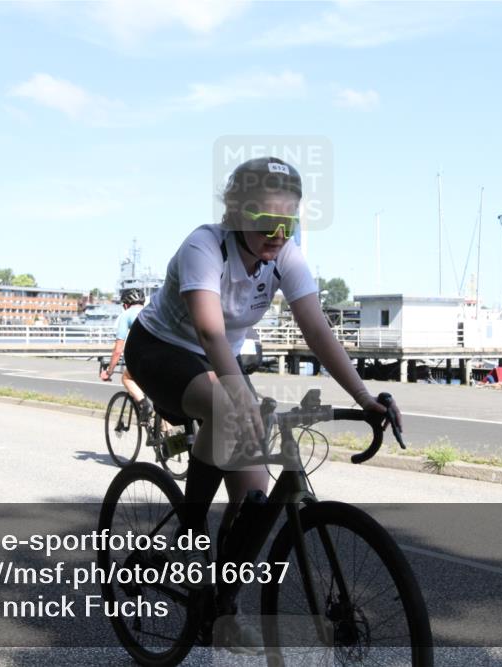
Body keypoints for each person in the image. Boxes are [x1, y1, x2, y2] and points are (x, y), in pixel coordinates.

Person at [123, 156, 401, 649]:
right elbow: (209, 331)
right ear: (235, 213)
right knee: (229, 406)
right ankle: (186, 524)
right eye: (265, 220)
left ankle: (222, 612)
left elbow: (316, 328)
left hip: (215, 360)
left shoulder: (285, 255)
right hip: (161, 350)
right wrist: (239, 398)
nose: (277, 232)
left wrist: (363, 397)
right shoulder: (202, 246)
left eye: (287, 222)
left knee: (253, 500)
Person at [100, 288, 152, 420]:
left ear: (125, 305)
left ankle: (144, 405)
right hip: (166, 356)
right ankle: (166, 436)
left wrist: (109, 371)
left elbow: (118, 350)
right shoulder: (152, 311)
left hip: (145, 359)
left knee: (127, 378)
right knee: (160, 401)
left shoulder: (127, 314)